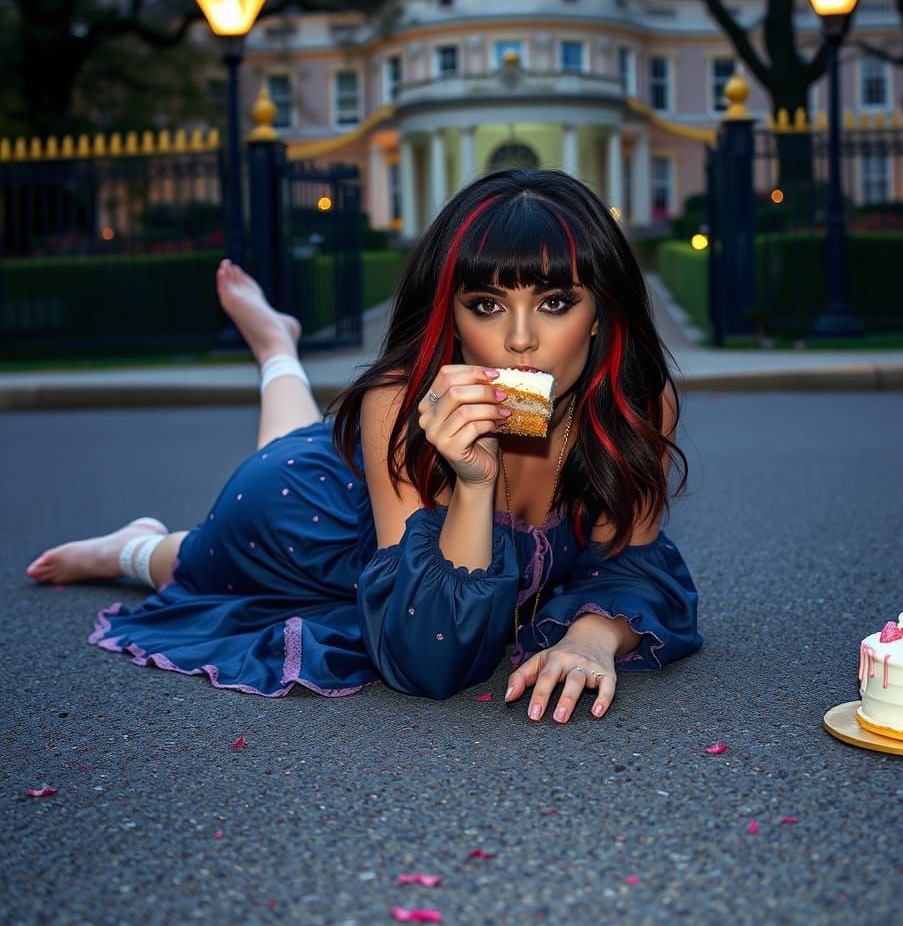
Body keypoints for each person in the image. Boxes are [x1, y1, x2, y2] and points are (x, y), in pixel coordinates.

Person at [26, 169, 701, 723]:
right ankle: (131, 544)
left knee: (300, 433)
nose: (520, 340)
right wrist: (473, 483)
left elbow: (632, 568)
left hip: (355, 470)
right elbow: (431, 660)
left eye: (555, 302)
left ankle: (275, 345)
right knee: (199, 553)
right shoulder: (397, 402)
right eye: (487, 306)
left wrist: (593, 635)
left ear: (600, 312)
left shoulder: (640, 405)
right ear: (452, 316)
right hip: (298, 514)